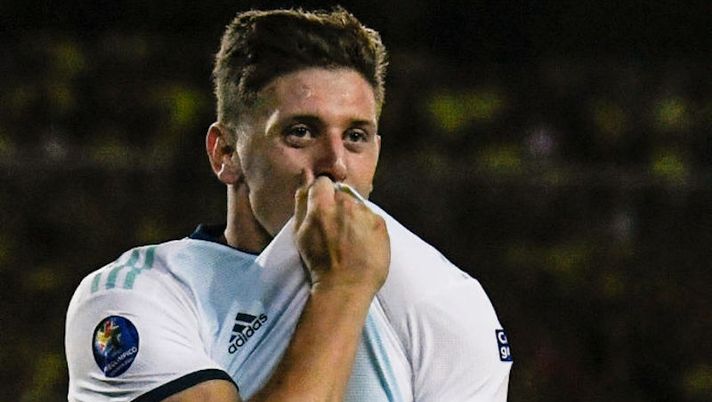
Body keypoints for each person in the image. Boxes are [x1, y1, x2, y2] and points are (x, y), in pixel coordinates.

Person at [65, 7, 512, 402]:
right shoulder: (134, 295)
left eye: (355, 136)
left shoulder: (445, 300)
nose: (335, 164)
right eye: (301, 131)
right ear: (226, 153)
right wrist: (343, 289)